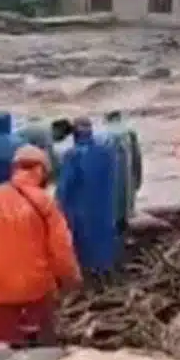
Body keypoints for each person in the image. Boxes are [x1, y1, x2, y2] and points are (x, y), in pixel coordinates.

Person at [0, 145, 81, 349]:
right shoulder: (45, 203)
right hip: (35, 292)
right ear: (42, 171)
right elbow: (61, 250)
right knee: (42, 354)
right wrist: (72, 279)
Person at [57, 117, 121, 277]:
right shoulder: (107, 151)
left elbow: (65, 186)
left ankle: (87, 273)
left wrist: (58, 205)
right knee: (104, 237)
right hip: (104, 204)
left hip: (81, 208)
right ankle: (105, 268)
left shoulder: (72, 155)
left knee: (83, 243)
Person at [101, 110, 143, 232]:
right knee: (126, 195)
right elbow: (137, 158)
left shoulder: (103, 134)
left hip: (111, 176)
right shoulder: (129, 132)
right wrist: (138, 180)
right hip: (127, 174)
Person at [15, 117, 73, 182]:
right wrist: (57, 173)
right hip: (18, 143)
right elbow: (50, 157)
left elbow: (50, 153)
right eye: (62, 136)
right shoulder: (47, 133)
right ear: (59, 130)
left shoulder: (47, 126)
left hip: (21, 140)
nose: (61, 138)